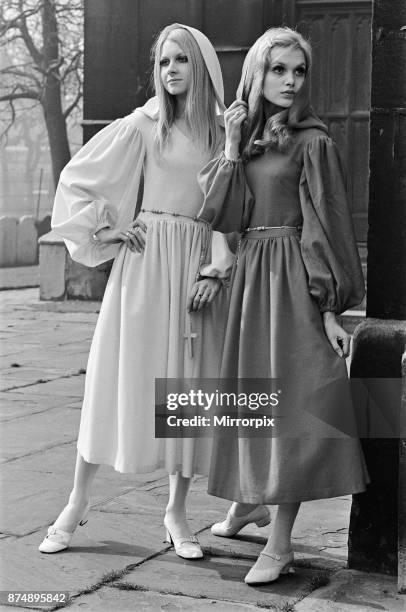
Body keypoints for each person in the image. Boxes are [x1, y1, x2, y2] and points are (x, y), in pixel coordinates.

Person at [39, 23, 233, 560]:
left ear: (201, 65)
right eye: (163, 61)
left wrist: (215, 267)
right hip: (146, 265)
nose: (170, 70)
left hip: (194, 265)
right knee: (114, 377)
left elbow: (233, 204)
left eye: (181, 60)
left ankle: (176, 513)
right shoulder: (144, 125)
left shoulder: (223, 133)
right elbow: (80, 178)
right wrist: (108, 230)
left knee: (185, 388)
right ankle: (75, 503)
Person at [198, 27, 369, 583]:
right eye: (279, 70)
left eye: (299, 71)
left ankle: (280, 540)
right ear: (257, 72)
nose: (291, 82)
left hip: (293, 277)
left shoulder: (314, 141)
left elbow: (327, 225)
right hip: (250, 278)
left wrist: (328, 308)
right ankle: (250, 501)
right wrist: (228, 148)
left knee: (296, 409)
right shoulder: (242, 138)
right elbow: (221, 216)